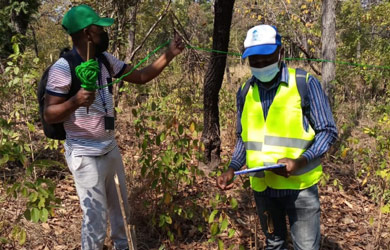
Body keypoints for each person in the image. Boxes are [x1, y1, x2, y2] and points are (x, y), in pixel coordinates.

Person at [44, 5, 184, 250]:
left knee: (121, 214)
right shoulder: (63, 68)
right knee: (95, 221)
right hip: (85, 156)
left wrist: (168, 54)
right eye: (100, 29)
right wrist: (75, 101)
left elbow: (140, 76)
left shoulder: (104, 60)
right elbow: (49, 113)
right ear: (88, 33)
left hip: (110, 149)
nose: (104, 33)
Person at [217, 24, 338, 249]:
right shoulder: (245, 91)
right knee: (274, 243)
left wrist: (300, 161)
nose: (261, 65)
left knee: (307, 247)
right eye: (254, 60)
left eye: (266, 57)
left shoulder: (303, 83)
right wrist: (233, 167)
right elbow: (243, 139)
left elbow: (327, 131)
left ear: (280, 53)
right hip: (263, 189)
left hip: (299, 188)